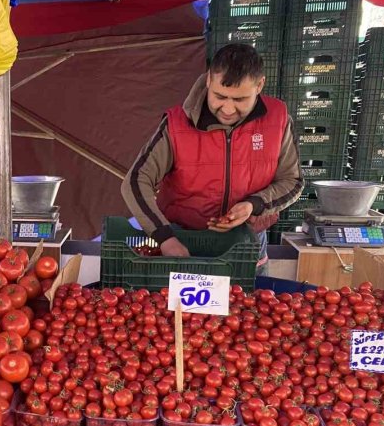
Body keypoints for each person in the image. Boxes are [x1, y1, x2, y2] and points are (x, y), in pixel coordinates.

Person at [121, 43, 303, 270]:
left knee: (244, 303)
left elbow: (292, 181)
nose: (227, 109)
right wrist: (165, 237)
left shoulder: (278, 119)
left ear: (259, 85)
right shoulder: (177, 123)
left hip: (248, 242)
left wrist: (253, 205)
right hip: (182, 240)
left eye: (239, 100)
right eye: (219, 96)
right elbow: (136, 181)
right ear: (208, 80)